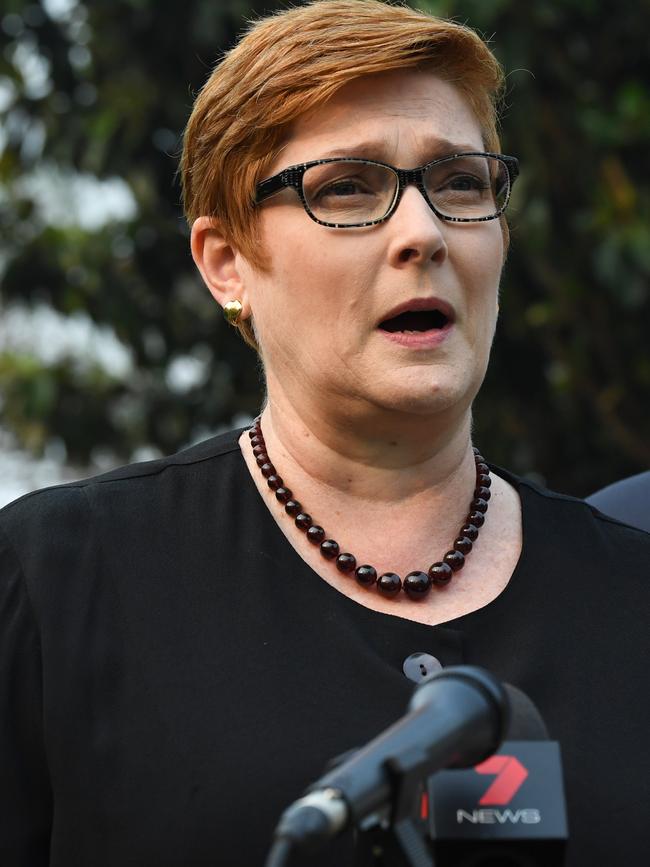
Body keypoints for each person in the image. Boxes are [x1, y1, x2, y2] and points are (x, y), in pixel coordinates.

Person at [1, 1, 648, 865]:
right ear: (226, 262)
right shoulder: (59, 579)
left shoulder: (632, 593)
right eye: (348, 186)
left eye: (460, 182)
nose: (422, 233)